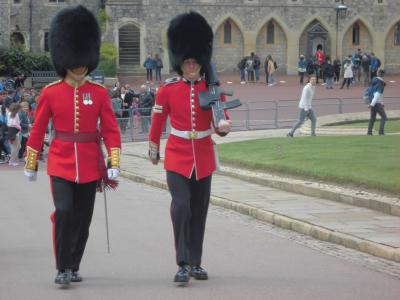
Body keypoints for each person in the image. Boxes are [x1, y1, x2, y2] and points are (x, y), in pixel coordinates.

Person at [23, 5, 121, 287]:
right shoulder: (51, 92)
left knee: (83, 220)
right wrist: (31, 163)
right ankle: (62, 266)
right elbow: (39, 128)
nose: (80, 65)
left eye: (83, 60)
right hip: (61, 162)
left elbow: (110, 131)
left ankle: (74, 264)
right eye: (75, 60)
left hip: (90, 165)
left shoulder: (99, 93)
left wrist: (114, 162)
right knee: (64, 212)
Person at [148, 11, 232, 285]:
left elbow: (221, 119)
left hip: (204, 156)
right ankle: (182, 263)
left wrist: (224, 126)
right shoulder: (168, 90)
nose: (192, 66)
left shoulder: (213, 88)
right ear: (180, 63)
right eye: (187, 62)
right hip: (177, 155)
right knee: (181, 207)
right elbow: (158, 120)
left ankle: (196, 262)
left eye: (196, 62)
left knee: (199, 211)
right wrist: (153, 148)